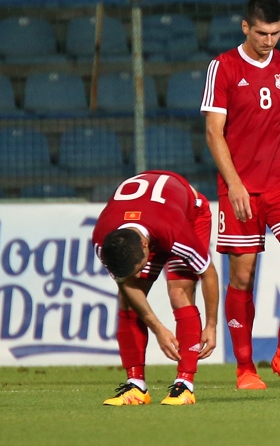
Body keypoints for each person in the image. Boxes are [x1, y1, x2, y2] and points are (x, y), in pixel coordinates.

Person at [201, 0, 280, 390]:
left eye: (275, 33)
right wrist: (233, 183)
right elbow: (213, 131)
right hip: (241, 188)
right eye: (261, 34)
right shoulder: (222, 67)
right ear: (245, 27)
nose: (269, 41)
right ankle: (244, 367)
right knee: (242, 274)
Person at [94, 171, 219, 406]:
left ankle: (185, 386)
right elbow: (127, 284)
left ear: (145, 246)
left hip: (189, 214)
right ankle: (136, 386)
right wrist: (158, 328)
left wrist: (212, 325)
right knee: (126, 298)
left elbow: (208, 273)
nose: (134, 273)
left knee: (179, 292)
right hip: (152, 214)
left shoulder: (176, 233)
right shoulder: (104, 241)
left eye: (137, 267)